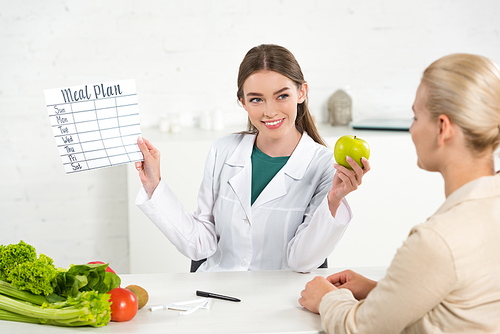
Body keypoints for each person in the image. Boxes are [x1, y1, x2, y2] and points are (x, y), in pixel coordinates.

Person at [299, 53, 500, 333]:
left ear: (443, 128)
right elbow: (463, 302)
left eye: (416, 117)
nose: (411, 128)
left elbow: (358, 328)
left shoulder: (437, 240)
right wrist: (380, 291)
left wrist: (328, 298)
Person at [134, 44, 370, 273]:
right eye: (257, 99)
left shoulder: (324, 166)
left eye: (282, 96)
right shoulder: (222, 151)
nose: (270, 111)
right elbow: (201, 244)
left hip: (280, 303)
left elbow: (301, 262)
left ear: (302, 92)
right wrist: (154, 186)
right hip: (217, 294)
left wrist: (333, 202)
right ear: (242, 102)